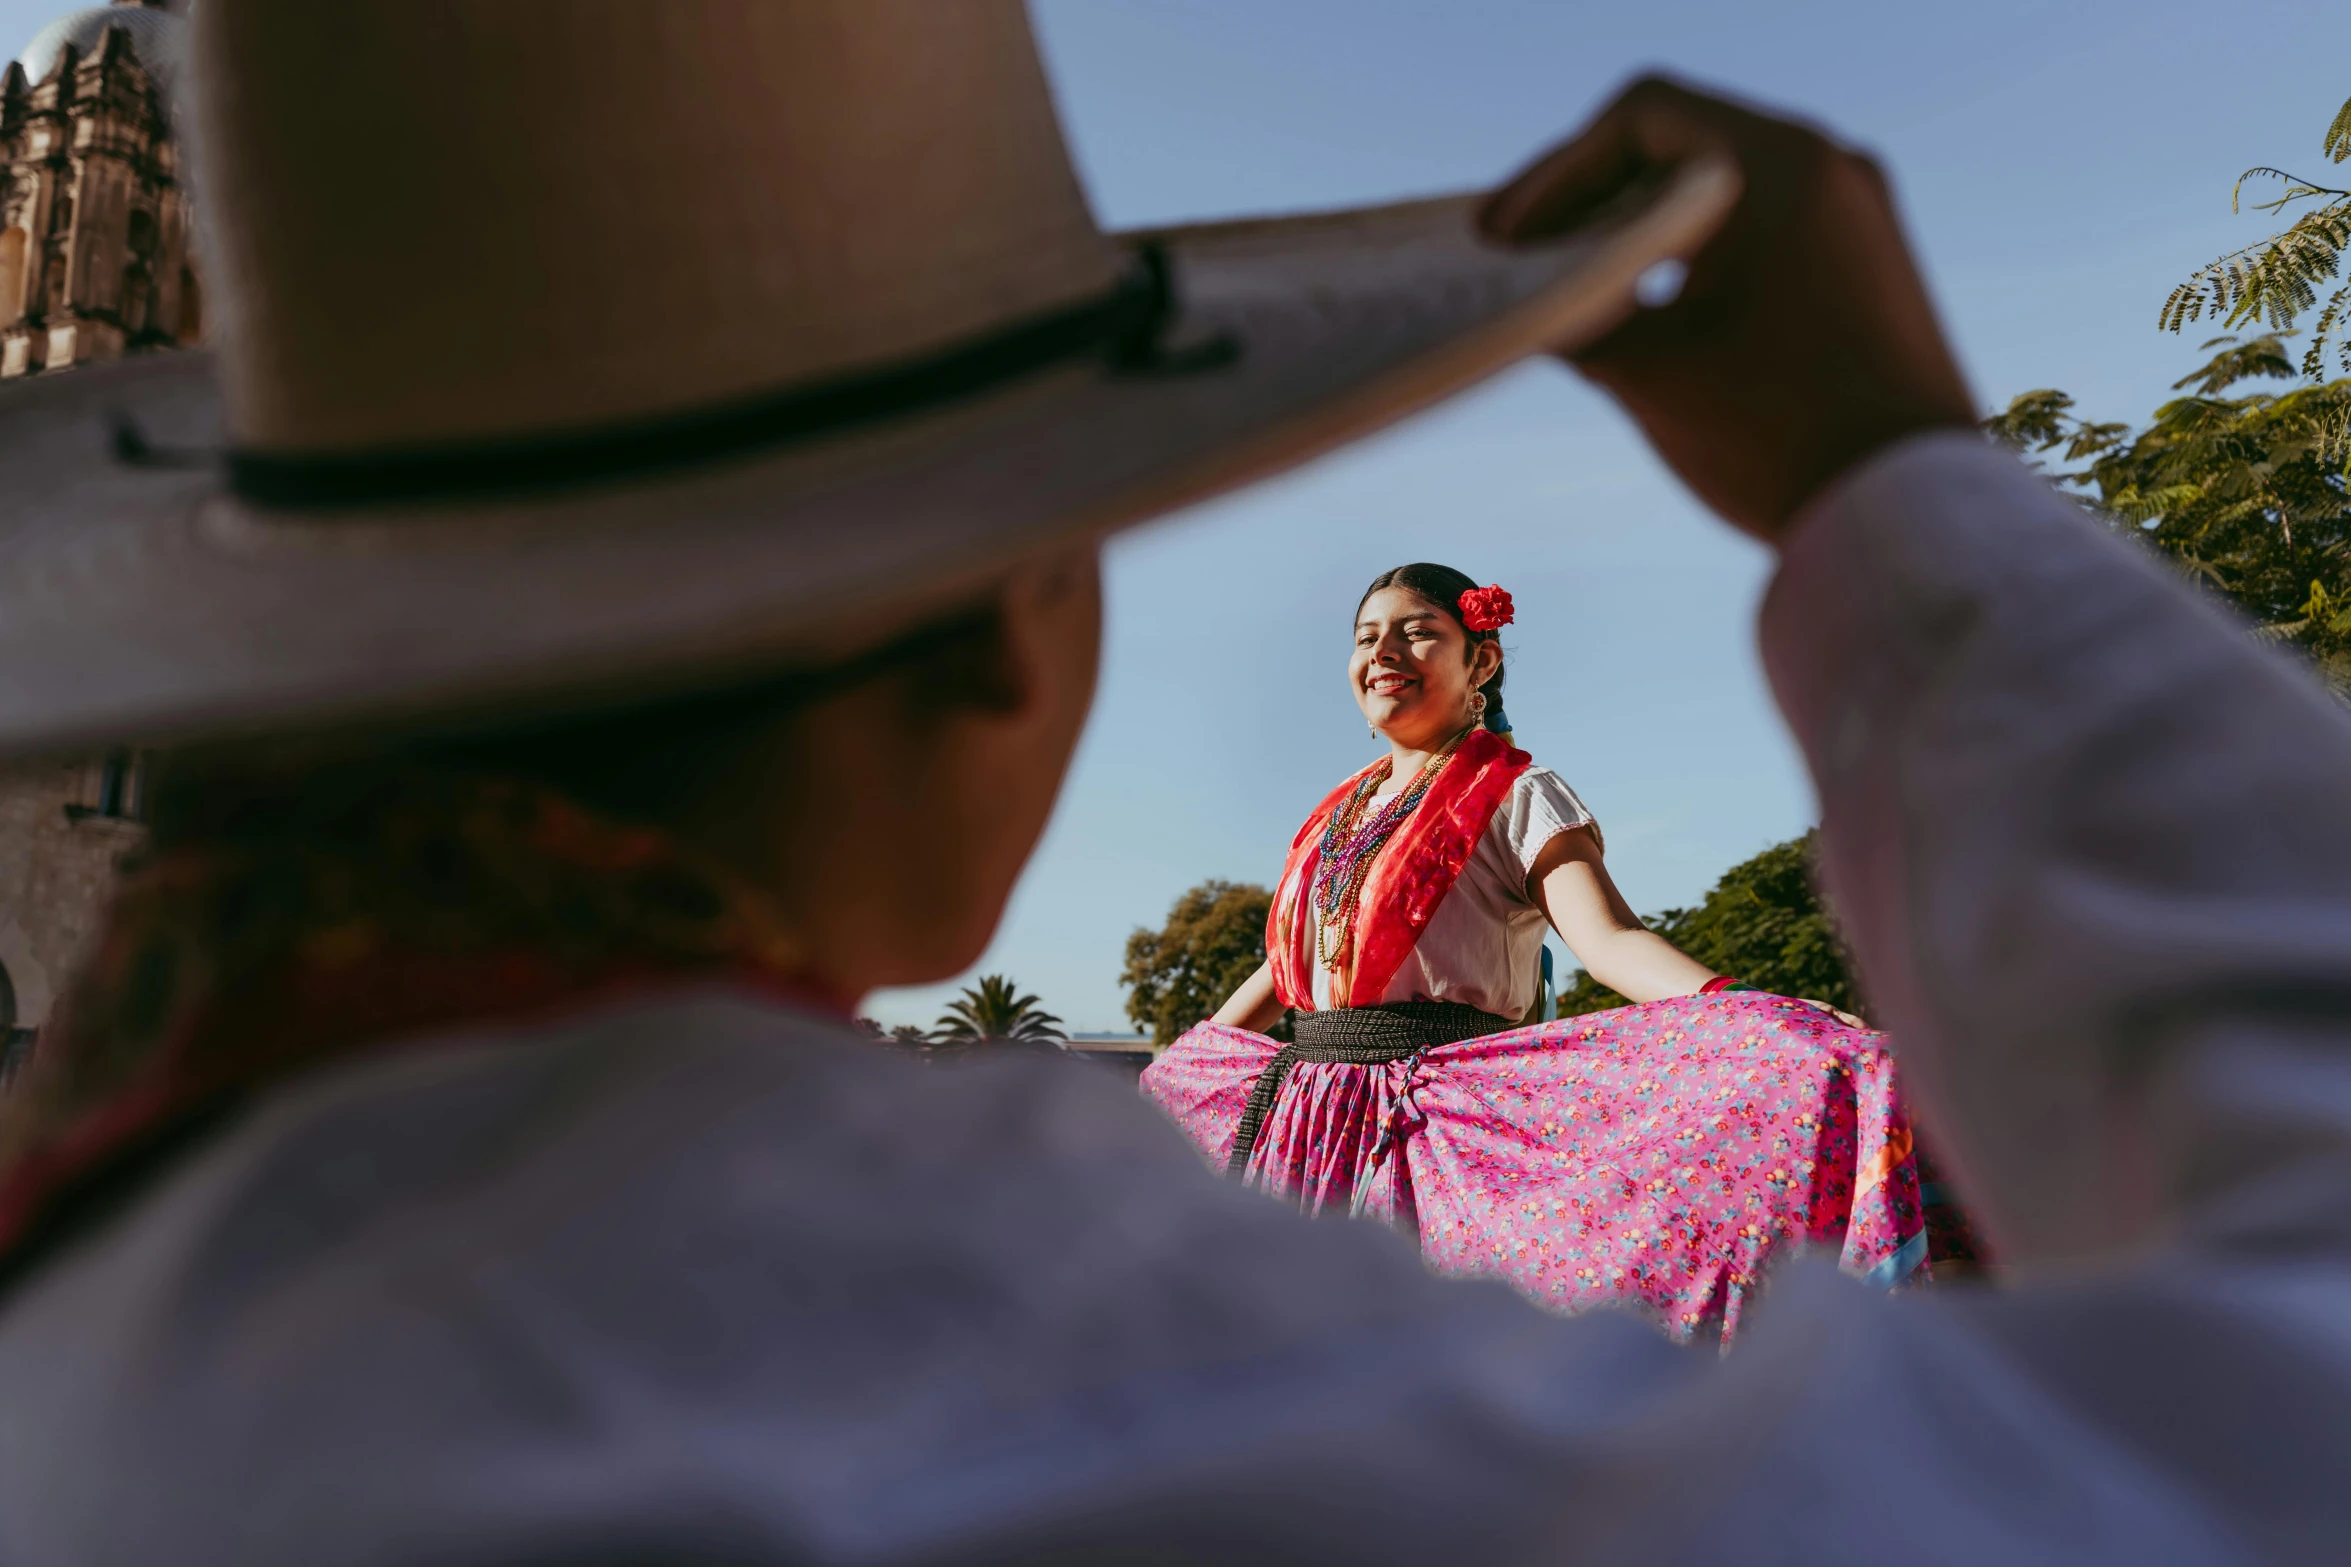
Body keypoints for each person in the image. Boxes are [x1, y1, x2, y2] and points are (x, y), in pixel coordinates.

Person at [0, 5, 2345, 1561]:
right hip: (1308, 1100)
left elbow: (1596, 930)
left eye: (1401, 629)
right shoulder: (1103, 1364)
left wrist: (1713, 999)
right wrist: (1890, 484)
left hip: (1432, 1089)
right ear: (1015, 599)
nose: (1374, 654)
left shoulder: (110, 1263)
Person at [1140, 560, 1928, 1342]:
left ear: (1480, 659)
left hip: (1423, 1121)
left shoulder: (1518, 792)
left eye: (1417, 634)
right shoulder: (1338, 807)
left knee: (1413, 1364)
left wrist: (1741, 1008)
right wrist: (1199, 1057)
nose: (1383, 653)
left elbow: (1610, 938)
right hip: (1299, 1121)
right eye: (1365, 637)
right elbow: (1294, 964)